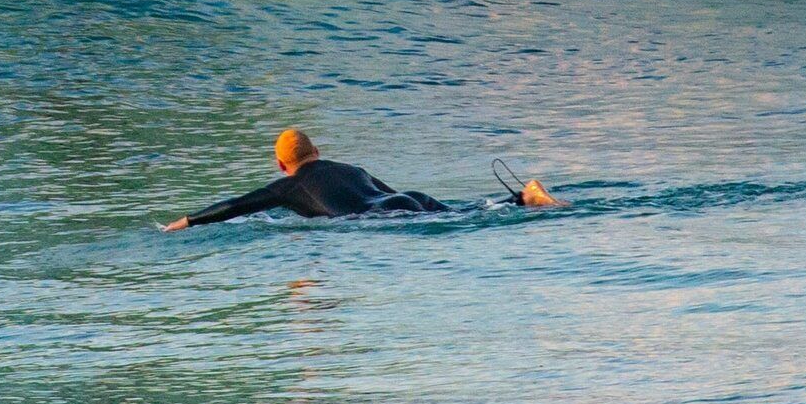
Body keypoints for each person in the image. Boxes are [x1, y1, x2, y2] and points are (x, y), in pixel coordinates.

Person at [161, 128, 556, 229]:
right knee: (461, 212)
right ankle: (523, 198)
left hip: (381, 218)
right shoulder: (351, 169)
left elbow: (238, 206)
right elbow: (394, 193)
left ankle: (525, 200)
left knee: (456, 219)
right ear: (316, 150)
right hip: (407, 198)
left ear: (282, 166)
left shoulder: (287, 187)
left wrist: (189, 221)